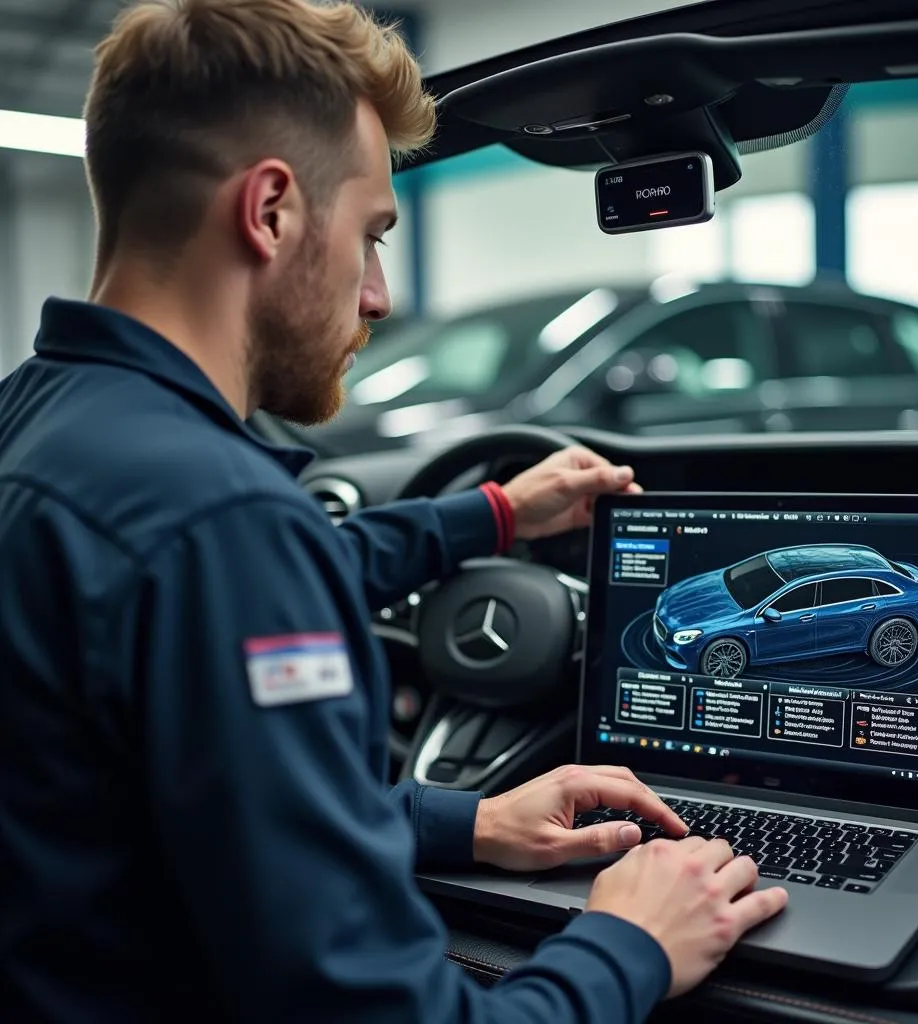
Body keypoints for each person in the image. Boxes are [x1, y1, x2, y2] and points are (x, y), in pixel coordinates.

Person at [0, 1, 787, 1021]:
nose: (376, 295)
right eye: (371, 234)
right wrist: (627, 943)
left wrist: (467, 819)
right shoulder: (220, 523)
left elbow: (165, 784)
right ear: (272, 209)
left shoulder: (39, 418)